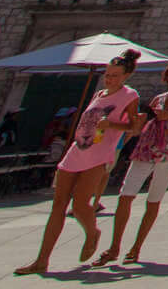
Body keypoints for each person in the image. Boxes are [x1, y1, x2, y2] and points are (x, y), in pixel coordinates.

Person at [16, 55, 141, 274]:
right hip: (77, 151)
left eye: (114, 76)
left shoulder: (129, 95)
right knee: (58, 205)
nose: (109, 79)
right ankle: (41, 260)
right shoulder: (98, 94)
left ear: (126, 75)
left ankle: (92, 233)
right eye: (107, 75)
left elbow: (134, 126)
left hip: (99, 154)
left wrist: (110, 124)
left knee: (81, 204)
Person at [95, 56, 168, 266]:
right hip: (147, 147)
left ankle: (136, 247)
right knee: (125, 195)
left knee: (153, 200)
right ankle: (114, 247)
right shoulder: (160, 97)